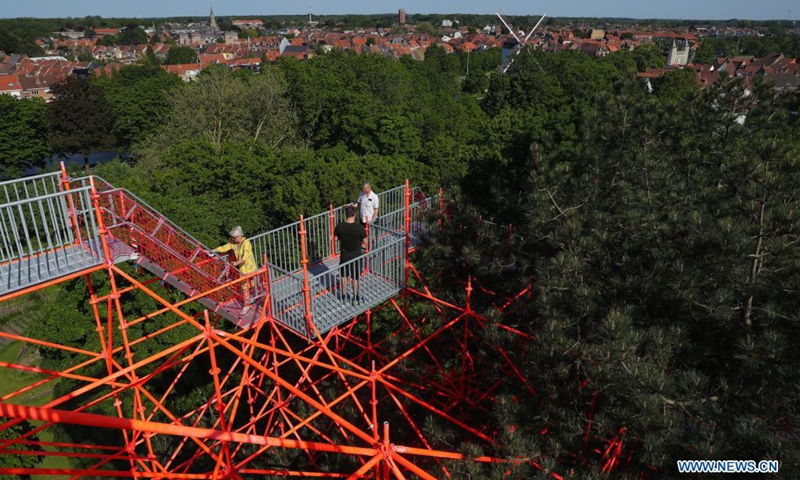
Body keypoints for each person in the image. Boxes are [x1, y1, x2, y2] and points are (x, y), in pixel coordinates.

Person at [211, 226, 257, 315]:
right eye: (232, 237)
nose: (233, 239)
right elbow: (224, 247)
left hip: (250, 268)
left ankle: (253, 297)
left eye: (234, 237)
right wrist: (212, 251)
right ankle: (246, 305)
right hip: (243, 270)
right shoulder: (234, 243)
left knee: (252, 284)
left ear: (240, 236)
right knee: (244, 287)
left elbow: (245, 256)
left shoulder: (246, 243)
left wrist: (237, 262)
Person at [334, 205, 367, 304]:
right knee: (355, 277)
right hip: (356, 256)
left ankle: (343, 296)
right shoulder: (359, 228)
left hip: (344, 255)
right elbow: (365, 241)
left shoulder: (339, 226)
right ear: (355, 215)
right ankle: (356, 297)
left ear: (346, 215)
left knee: (344, 276)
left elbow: (335, 239)